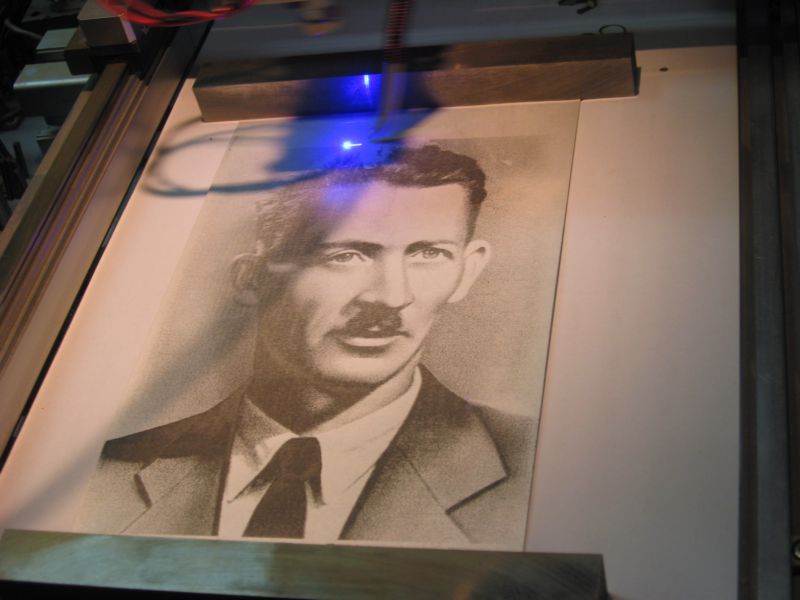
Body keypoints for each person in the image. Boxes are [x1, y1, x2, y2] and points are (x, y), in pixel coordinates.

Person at [78, 144, 536, 548]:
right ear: (252, 279)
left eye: (428, 254)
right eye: (346, 255)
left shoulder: (534, 465)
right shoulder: (106, 475)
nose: (391, 297)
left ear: (468, 271)